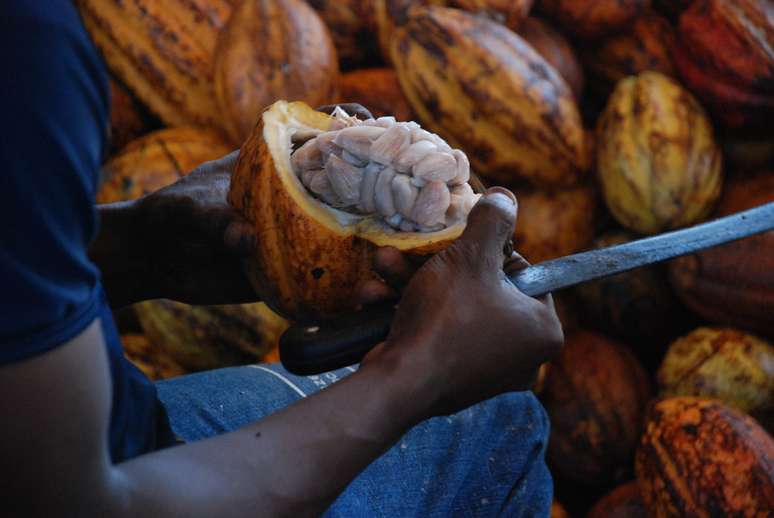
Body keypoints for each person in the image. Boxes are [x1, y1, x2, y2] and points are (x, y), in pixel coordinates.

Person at [0, 2, 564, 516]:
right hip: (121, 479)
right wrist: (416, 377)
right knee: (497, 420)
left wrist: (135, 249)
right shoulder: (29, 53)